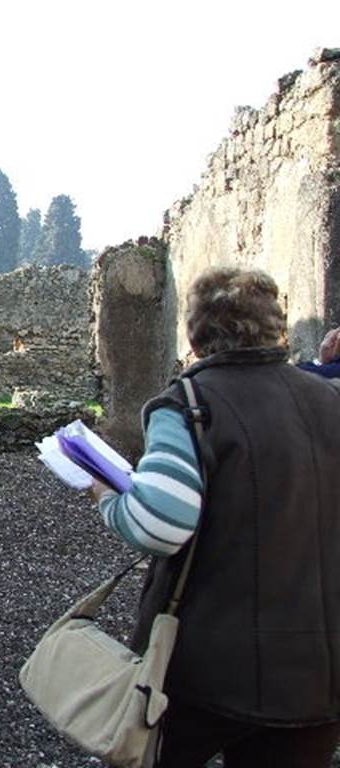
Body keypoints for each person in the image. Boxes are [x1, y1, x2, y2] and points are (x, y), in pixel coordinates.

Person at [92, 267, 340, 767]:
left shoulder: (190, 403)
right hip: (320, 669)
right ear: (277, 327)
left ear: (195, 334)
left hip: (207, 667)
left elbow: (159, 524)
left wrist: (106, 496)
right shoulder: (330, 398)